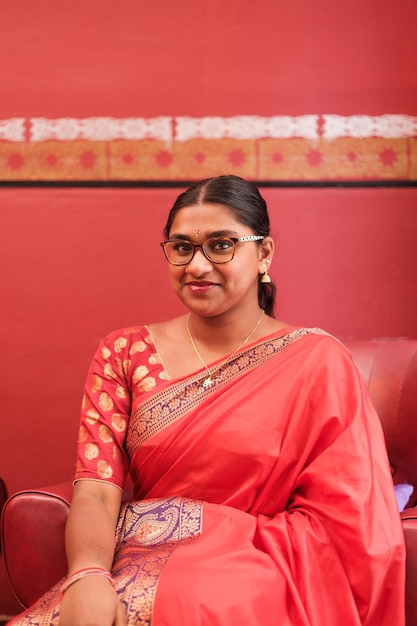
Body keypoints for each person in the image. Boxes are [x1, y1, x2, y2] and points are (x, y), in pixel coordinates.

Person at [11, 175, 405, 626]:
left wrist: (208, 530)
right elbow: (98, 490)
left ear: (265, 254)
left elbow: (348, 518)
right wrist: (87, 574)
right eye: (182, 248)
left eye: (221, 245)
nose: (197, 266)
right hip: (140, 556)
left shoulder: (319, 362)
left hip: (260, 569)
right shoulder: (123, 352)